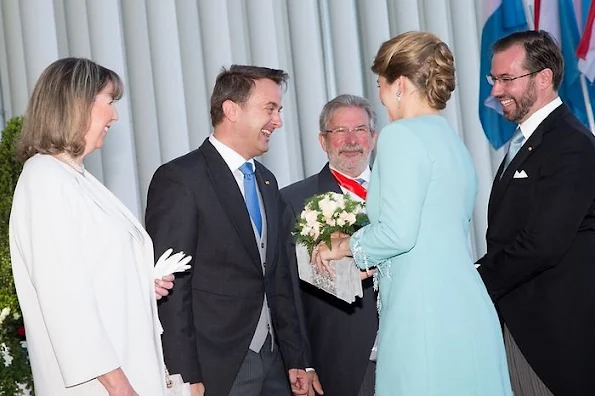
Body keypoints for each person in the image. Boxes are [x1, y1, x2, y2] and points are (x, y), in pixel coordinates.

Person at [312, 32, 513, 396]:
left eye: (381, 86)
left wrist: (338, 245)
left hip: (423, 313)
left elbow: (397, 233)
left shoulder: (400, 136)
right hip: (465, 307)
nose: (382, 96)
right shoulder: (451, 139)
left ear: (400, 84)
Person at [9, 57, 176, 395]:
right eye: (109, 102)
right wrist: (119, 385)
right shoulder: (45, 179)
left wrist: (141, 284)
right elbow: (64, 298)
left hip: (123, 369)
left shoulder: (75, 178)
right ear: (77, 103)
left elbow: (93, 274)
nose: (114, 115)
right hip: (100, 384)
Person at [145, 65, 309, 396]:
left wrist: (296, 358)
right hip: (216, 368)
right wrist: (183, 374)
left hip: (273, 364)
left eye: (278, 110)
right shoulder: (181, 178)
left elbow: (276, 277)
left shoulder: (266, 181)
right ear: (231, 110)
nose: (278, 121)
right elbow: (171, 286)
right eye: (270, 109)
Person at [477, 30, 595, 396]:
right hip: (524, 327)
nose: (496, 91)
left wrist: (473, 280)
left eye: (507, 79)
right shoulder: (528, 140)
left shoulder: (570, 145)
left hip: (553, 342)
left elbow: (542, 244)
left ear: (544, 77)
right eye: (493, 79)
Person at [281, 94, 379, 396]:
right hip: (339, 360)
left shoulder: (399, 193)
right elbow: (288, 294)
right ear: (323, 141)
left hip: (411, 348)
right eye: (340, 131)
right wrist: (304, 362)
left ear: (373, 138)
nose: (351, 140)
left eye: (360, 130)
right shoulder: (292, 201)